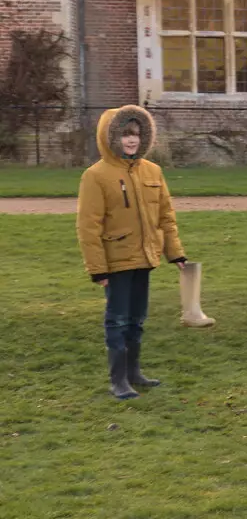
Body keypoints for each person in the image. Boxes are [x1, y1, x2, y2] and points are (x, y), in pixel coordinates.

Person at [76, 105, 188, 400]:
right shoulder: (96, 176)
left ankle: (134, 373)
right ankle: (118, 381)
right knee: (118, 319)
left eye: (136, 134)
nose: (131, 140)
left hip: (145, 258)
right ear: (111, 137)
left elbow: (166, 216)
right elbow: (88, 227)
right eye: (125, 134)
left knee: (137, 319)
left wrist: (174, 253)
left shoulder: (153, 171)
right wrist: (97, 268)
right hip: (115, 261)